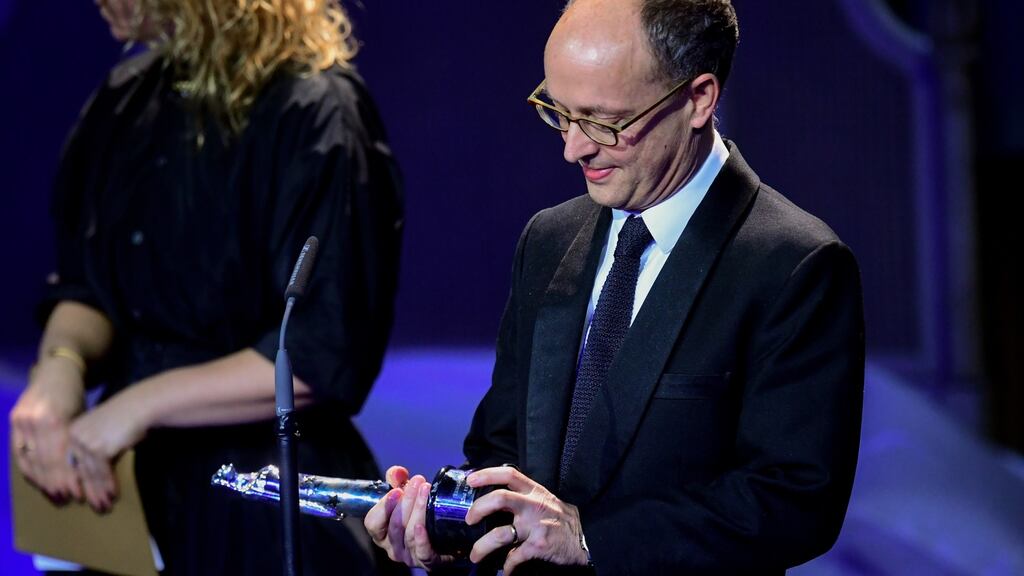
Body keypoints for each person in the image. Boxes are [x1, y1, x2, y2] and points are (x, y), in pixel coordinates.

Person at [364, 0, 865, 574]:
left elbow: (793, 502)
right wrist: (440, 529)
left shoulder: (794, 264)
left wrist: (588, 539)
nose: (573, 147)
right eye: (559, 112)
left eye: (604, 122)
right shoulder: (548, 239)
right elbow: (500, 456)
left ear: (698, 98)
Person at [9, 1, 407, 574]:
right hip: (127, 491)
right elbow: (88, 287)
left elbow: (319, 354)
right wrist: (59, 369)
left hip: (261, 497)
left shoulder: (316, 112)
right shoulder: (126, 99)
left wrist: (138, 406)